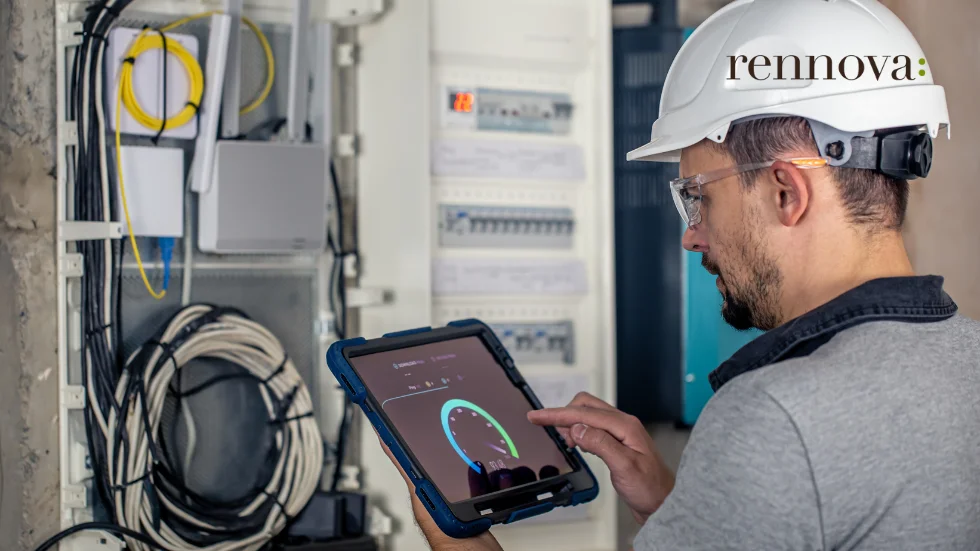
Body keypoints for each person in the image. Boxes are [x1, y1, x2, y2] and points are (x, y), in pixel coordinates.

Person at [380, 0, 980, 548]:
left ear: (784, 192)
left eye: (698, 198)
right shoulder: (968, 359)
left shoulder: (777, 416)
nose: (691, 235)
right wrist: (679, 508)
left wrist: (455, 532)